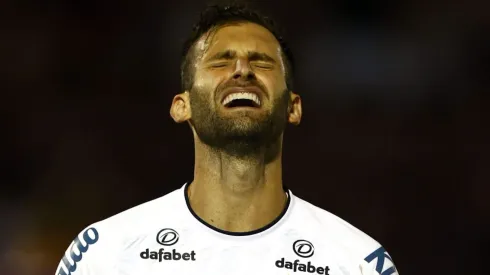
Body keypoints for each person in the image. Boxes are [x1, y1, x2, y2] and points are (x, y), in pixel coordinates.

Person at [55, 3, 399, 275]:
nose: (242, 70)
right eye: (221, 61)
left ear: (293, 107)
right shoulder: (106, 254)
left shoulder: (357, 263)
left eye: (262, 62)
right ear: (181, 106)